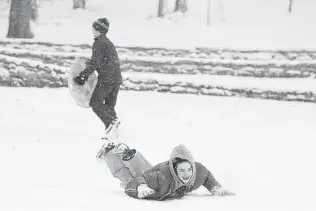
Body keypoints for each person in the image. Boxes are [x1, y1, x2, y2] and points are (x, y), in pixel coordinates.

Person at [97, 141, 235, 200]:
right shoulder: (162, 177)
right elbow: (138, 182)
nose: (187, 174)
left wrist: (215, 188)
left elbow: (206, 177)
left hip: (156, 180)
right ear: (175, 169)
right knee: (131, 177)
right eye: (182, 171)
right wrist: (140, 187)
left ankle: (121, 154)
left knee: (139, 174)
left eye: (189, 170)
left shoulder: (197, 173)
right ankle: (111, 153)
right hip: (153, 180)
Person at [73, 17, 122, 138]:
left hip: (107, 78)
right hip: (116, 78)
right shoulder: (107, 42)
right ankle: (113, 134)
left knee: (95, 102)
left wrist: (82, 76)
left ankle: (111, 123)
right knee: (109, 106)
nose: (92, 30)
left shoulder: (99, 43)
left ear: (99, 30)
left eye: (94, 28)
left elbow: (96, 63)